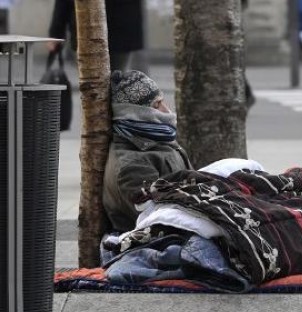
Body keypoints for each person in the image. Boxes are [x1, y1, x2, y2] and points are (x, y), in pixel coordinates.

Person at [103, 70, 193, 233]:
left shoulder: (153, 140)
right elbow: (159, 220)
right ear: (137, 113)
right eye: (157, 105)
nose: (167, 111)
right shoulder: (131, 165)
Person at [47, 0, 144, 71]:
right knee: (92, 85)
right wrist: (56, 33)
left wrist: (56, 33)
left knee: (115, 82)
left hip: (119, 29)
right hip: (86, 29)